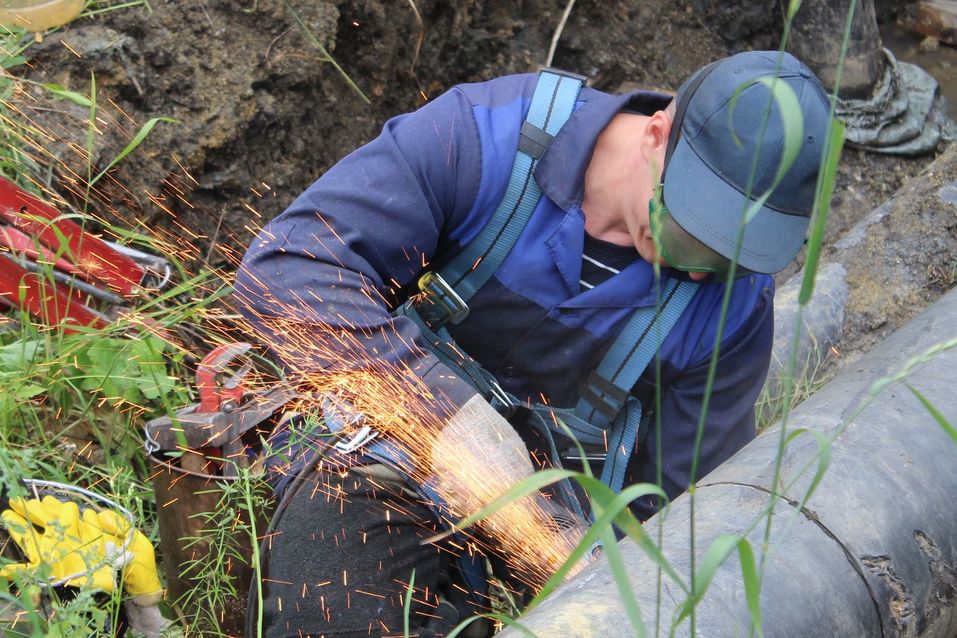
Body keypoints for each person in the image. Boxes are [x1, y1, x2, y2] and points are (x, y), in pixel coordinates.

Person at [235, 50, 832, 637]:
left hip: (552, 541)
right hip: (380, 467)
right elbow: (286, 268)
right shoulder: (486, 139)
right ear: (658, 135)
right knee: (334, 607)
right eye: (697, 229)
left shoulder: (735, 313)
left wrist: (604, 585)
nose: (706, 268)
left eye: (734, 250)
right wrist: (446, 420)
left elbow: (686, 512)